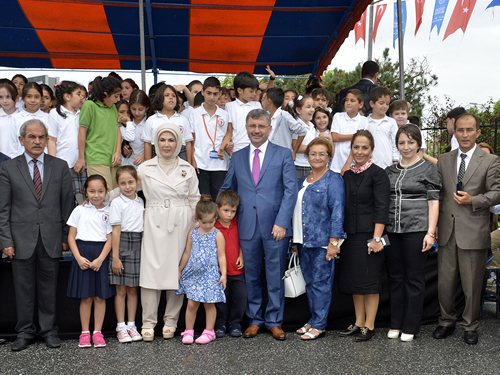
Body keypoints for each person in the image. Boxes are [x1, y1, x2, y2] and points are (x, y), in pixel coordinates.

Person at [220, 108, 297, 341]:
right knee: (251, 276)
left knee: (274, 276)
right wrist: (213, 216)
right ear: (246, 128)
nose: (256, 130)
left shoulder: (283, 154)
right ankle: (254, 319)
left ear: (269, 129)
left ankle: (274, 321)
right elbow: (227, 190)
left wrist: (282, 222)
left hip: (276, 227)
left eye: (261, 126)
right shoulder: (238, 156)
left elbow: (290, 190)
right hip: (246, 226)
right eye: (252, 126)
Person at [0, 119, 73, 351]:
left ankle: (49, 331)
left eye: (41, 137)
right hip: (20, 240)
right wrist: (6, 240)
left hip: (51, 238)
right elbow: (3, 208)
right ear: (22, 140)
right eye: (32, 137)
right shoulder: (8, 168)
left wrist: (65, 237)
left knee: (49, 289)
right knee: (23, 290)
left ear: (47, 139)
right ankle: (24, 332)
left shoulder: (60, 166)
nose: (37, 141)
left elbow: (67, 205)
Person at [433, 113, 500, 345]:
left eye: (469, 130)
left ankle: (470, 325)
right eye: (460, 130)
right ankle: (446, 321)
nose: (464, 134)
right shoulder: (443, 159)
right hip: (447, 231)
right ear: (455, 131)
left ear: (478, 132)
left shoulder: (490, 160)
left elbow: (496, 193)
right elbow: (438, 195)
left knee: (472, 284)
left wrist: (473, 200)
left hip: (473, 230)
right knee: (445, 282)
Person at [138, 123, 200, 341]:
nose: (166, 144)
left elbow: (194, 199)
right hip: (154, 219)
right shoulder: (145, 168)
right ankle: (148, 322)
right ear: (155, 142)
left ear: (178, 143)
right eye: (162, 140)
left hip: (181, 222)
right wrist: (102, 199)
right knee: (151, 270)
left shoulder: (188, 168)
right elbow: (126, 189)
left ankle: (171, 321)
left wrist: (196, 228)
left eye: (171, 140)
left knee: (177, 271)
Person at [384, 125, 441, 342]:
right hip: (392, 231)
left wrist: (431, 232)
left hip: (417, 230)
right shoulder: (389, 171)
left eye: (410, 142)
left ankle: (411, 325)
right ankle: (396, 323)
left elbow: (434, 202)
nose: (406, 147)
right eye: (402, 143)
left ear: (418, 144)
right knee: (395, 278)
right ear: (396, 145)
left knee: (414, 279)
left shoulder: (429, 169)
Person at [338, 129, 390, 342]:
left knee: (370, 283)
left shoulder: (378, 174)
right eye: (356, 147)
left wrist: (377, 239)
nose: (360, 151)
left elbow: (382, 208)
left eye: (364, 147)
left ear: (372, 150)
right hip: (350, 236)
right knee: (355, 283)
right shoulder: (348, 174)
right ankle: (359, 323)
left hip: (371, 235)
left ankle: (370, 326)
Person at [293, 138, 345, 340]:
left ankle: (320, 324)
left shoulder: (333, 180)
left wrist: (333, 243)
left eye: (322, 154)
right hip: (303, 241)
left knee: (321, 283)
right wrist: (295, 242)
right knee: (310, 284)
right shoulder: (302, 181)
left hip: (323, 242)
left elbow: (338, 212)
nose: (317, 157)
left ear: (329, 157)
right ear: (307, 157)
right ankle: (314, 318)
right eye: (313, 153)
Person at [67, 174, 115, 348]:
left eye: (100, 191)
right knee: (86, 297)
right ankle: (85, 332)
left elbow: (110, 239)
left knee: (100, 297)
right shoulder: (79, 210)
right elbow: (71, 237)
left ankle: (98, 332)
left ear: (106, 192)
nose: (96, 195)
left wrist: (101, 259)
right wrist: (78, 257)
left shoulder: (109, 211)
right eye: (92, 191)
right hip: (83, 255)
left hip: (100, 255)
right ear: (85, 192)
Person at [177, 195, 227, 345]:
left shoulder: (217, 234)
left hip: (210, 275)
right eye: (203, 222)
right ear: (197, 218)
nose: (207, 224)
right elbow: (187, 252)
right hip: (194, 274)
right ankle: (189, 330)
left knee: (209, 303)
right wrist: (180, 269)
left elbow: (222, 255)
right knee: (192, 304)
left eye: (211, 221)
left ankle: (209, 331)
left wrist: (223, 274)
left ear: (215, 218)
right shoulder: (192, 233)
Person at [109, 166, 144, 343]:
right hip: (122, 244)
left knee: (133, 290)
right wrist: (115, 257)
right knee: (121, 290)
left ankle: (132, 325)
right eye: (123, 183)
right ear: (118, 185)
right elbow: (115, 231)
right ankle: (121, 326)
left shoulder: (141, 201)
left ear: (137, 182)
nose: (127, 186)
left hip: (138, 244)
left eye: (131, 182)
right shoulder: (117, 203)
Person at [75, 76, 122, 190]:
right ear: (105, 94)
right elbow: (82, 132)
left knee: (116, 195)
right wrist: (81, 158)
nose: (118, 99)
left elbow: (117, 131)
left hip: (113, 160)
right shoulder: (89, 105)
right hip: (96, 158)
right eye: (116, 96)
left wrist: (118, 152)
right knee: (104, 195)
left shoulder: (113, 108)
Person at [189, 77, 230, 201]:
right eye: (209, 93)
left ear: (220, 94)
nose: (212, 97)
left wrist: (222, 147)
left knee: (219, 200)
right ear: (202, 92)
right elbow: (191, 140)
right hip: (200, 163)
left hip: (220, 164)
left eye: (215, 94)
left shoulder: (224, 114)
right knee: (203, 201)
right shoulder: (194, 113)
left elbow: (228, 133)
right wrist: (192, 160)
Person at [214, 190, 247, 338]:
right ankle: (220, 324)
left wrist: (241, 254)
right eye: (226, 210)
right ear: (217, 208)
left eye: (233, 211)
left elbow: (241, 241)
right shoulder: (213, 226)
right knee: (221, 301)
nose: (229, 215)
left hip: (237, 270)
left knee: (240, 298)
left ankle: (235, 323)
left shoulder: (237, 223)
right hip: (220, 273)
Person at [48, 81, 86, 197]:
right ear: (67, 97)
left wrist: (82, 158)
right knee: (65, 196)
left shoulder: (82, 113)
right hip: (63, 161)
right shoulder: (55, 113)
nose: (82, 98)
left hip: (82, 162)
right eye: (78, 94)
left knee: (82, 195)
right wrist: (53, 163)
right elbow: (51, 140)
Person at [142, 84, 193, 163]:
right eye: (166, 95)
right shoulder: (151, 120)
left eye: (173, 95)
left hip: (180, 157)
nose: (171, 97)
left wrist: (189, 164)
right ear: (159, 98)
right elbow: (148, 144)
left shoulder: (183, 120)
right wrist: (148, 165)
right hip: (158, 156)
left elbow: (188, 143)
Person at [6, 82, 55, 158]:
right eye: (29, 96)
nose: (33, 100)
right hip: (20, 163)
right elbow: (12, 145)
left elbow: (51, 142)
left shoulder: (48, 117)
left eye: (36, 97)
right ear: (23, 98)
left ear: (41, 98)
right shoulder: (15, 118)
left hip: (43, 163)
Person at [330, 89, 368, 174]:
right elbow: (335, 137)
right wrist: (355, 135)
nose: (348, 103)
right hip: (336, 165)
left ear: (360, 104)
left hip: (355, 166)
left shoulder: (364, 120)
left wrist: (348, 164)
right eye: (347, 100)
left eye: (352, 100)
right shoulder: (338, 116)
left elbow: (359, 143)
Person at [261, 87, 306, 157]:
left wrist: (294, 152)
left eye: (264, 99)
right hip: (268, 155)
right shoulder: (265, 116)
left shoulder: (284, 115)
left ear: (269, 101)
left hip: (282, 156)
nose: (262, 102)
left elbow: (302, 131)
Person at [224, 71, 261, 154]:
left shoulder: (257, 105)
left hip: (256, 148)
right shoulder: (230, 106)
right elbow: (229, 131)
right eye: (251, 91)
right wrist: (227, 150)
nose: (254, 94)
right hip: (237, 149)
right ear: (240, 90)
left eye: (255, 91)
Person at [365, 86, 399, 169]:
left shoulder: (391, 122)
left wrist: (396, 160)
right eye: (381, 103)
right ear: (372, 103)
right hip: (369, 166)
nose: (385, 106)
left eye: (387, 104)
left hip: (388, 165)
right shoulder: (365, 122)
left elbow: (396, 142)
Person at [120, 89, 150, 169]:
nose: (137, 113)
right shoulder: (127, 122)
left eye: (140, 109)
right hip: (129, 163)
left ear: (147, 107)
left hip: (146, 163)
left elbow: (156, 145)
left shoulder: (150, 122)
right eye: (133, 109)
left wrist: (144, 155)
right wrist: (125, 150)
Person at [290, 95, 316, 180]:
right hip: (299, 165)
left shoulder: (311, 126)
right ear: (298, 110)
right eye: (308, 107)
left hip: (310, 165)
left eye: (313, 106)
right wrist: (315, 149)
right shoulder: (297, 125)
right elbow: (295, 146)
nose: (312, 109)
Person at [0, 79, 19, 155]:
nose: (4, 101)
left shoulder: (22, 118)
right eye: (1, 97)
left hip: (18, 162)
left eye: (8, 97)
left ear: (17, 97)